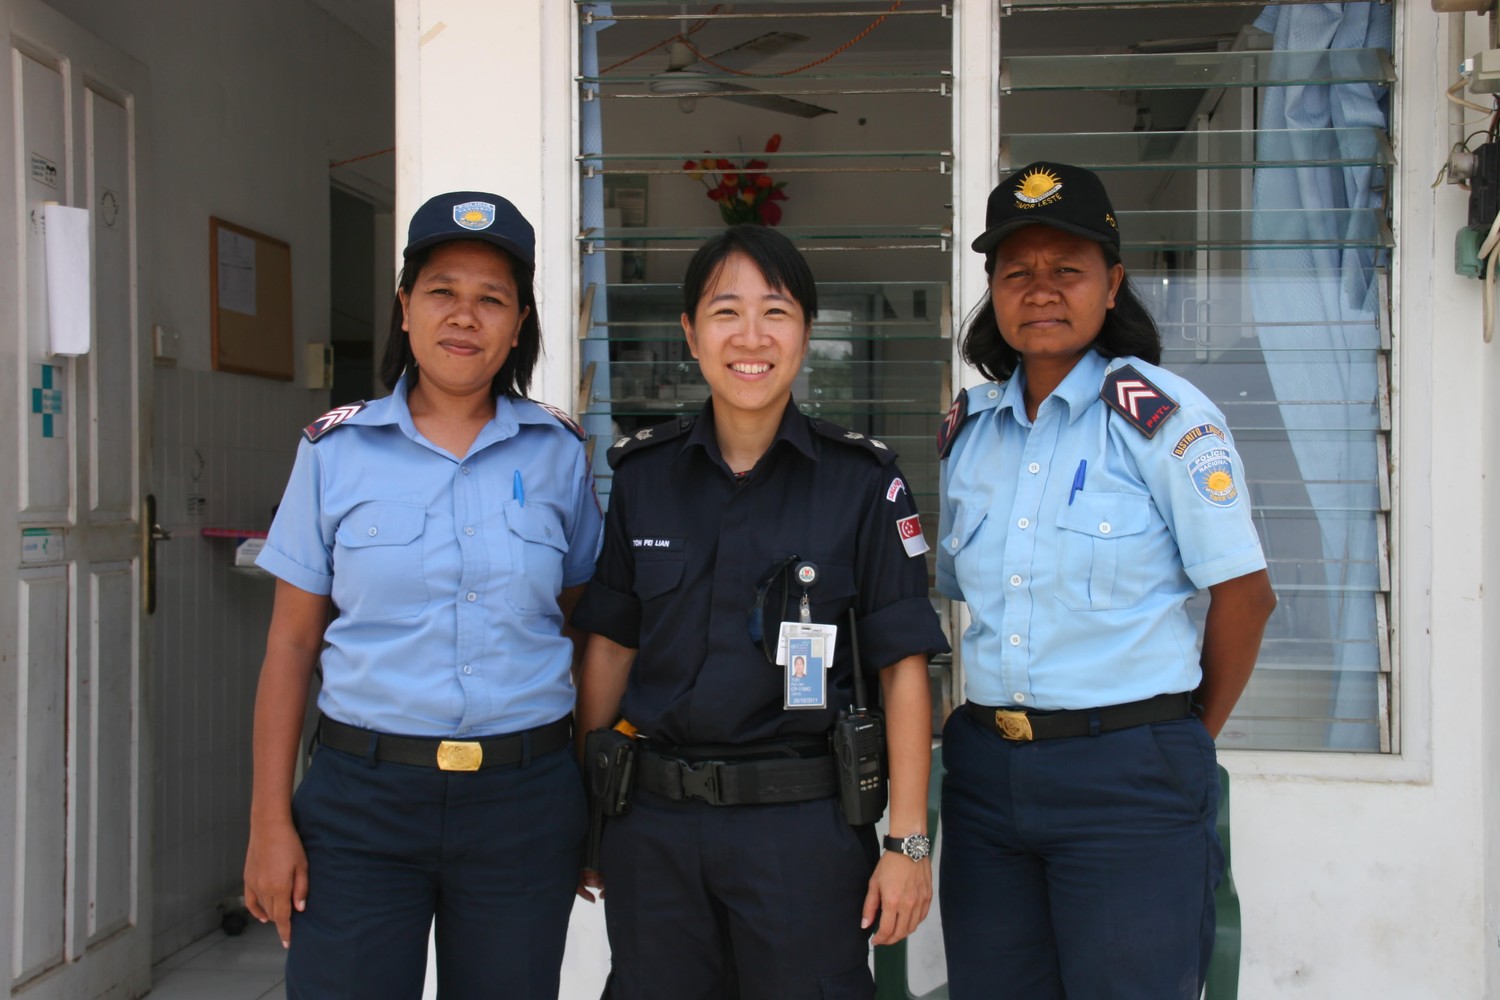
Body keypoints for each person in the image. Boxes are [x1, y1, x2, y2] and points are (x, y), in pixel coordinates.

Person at [572, 224, 949, 1000]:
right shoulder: (643, 478)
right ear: (690, 333)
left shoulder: (862, 486)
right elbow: (609, 651)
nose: (751, 337)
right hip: (656, 829)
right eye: (725, 312)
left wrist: (909, 844)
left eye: (775, 312)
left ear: (806, 333)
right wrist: (591, 813)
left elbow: (903, 667)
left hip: (801, 832)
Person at [242, 191, 602, 999]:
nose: (463, 317)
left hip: (523, 801)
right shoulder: (335, 453)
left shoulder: (558, 453)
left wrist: (591, 802)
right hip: (362, 800)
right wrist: (270, 821)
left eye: (491, 299)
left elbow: (582, 630)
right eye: (442, 291)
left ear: (518, 324)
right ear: (405, 309)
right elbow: (292, 645)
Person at [935, 162, 1277, 999]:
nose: (1041, 289)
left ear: (1113, 282)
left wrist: (1184, 738)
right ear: (992, 288)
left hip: (1128, 776)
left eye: (1068, 269)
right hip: (987, 776)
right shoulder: (969, 431)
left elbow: (1245, 594)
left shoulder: (1162, 417)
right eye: (1017, 270)